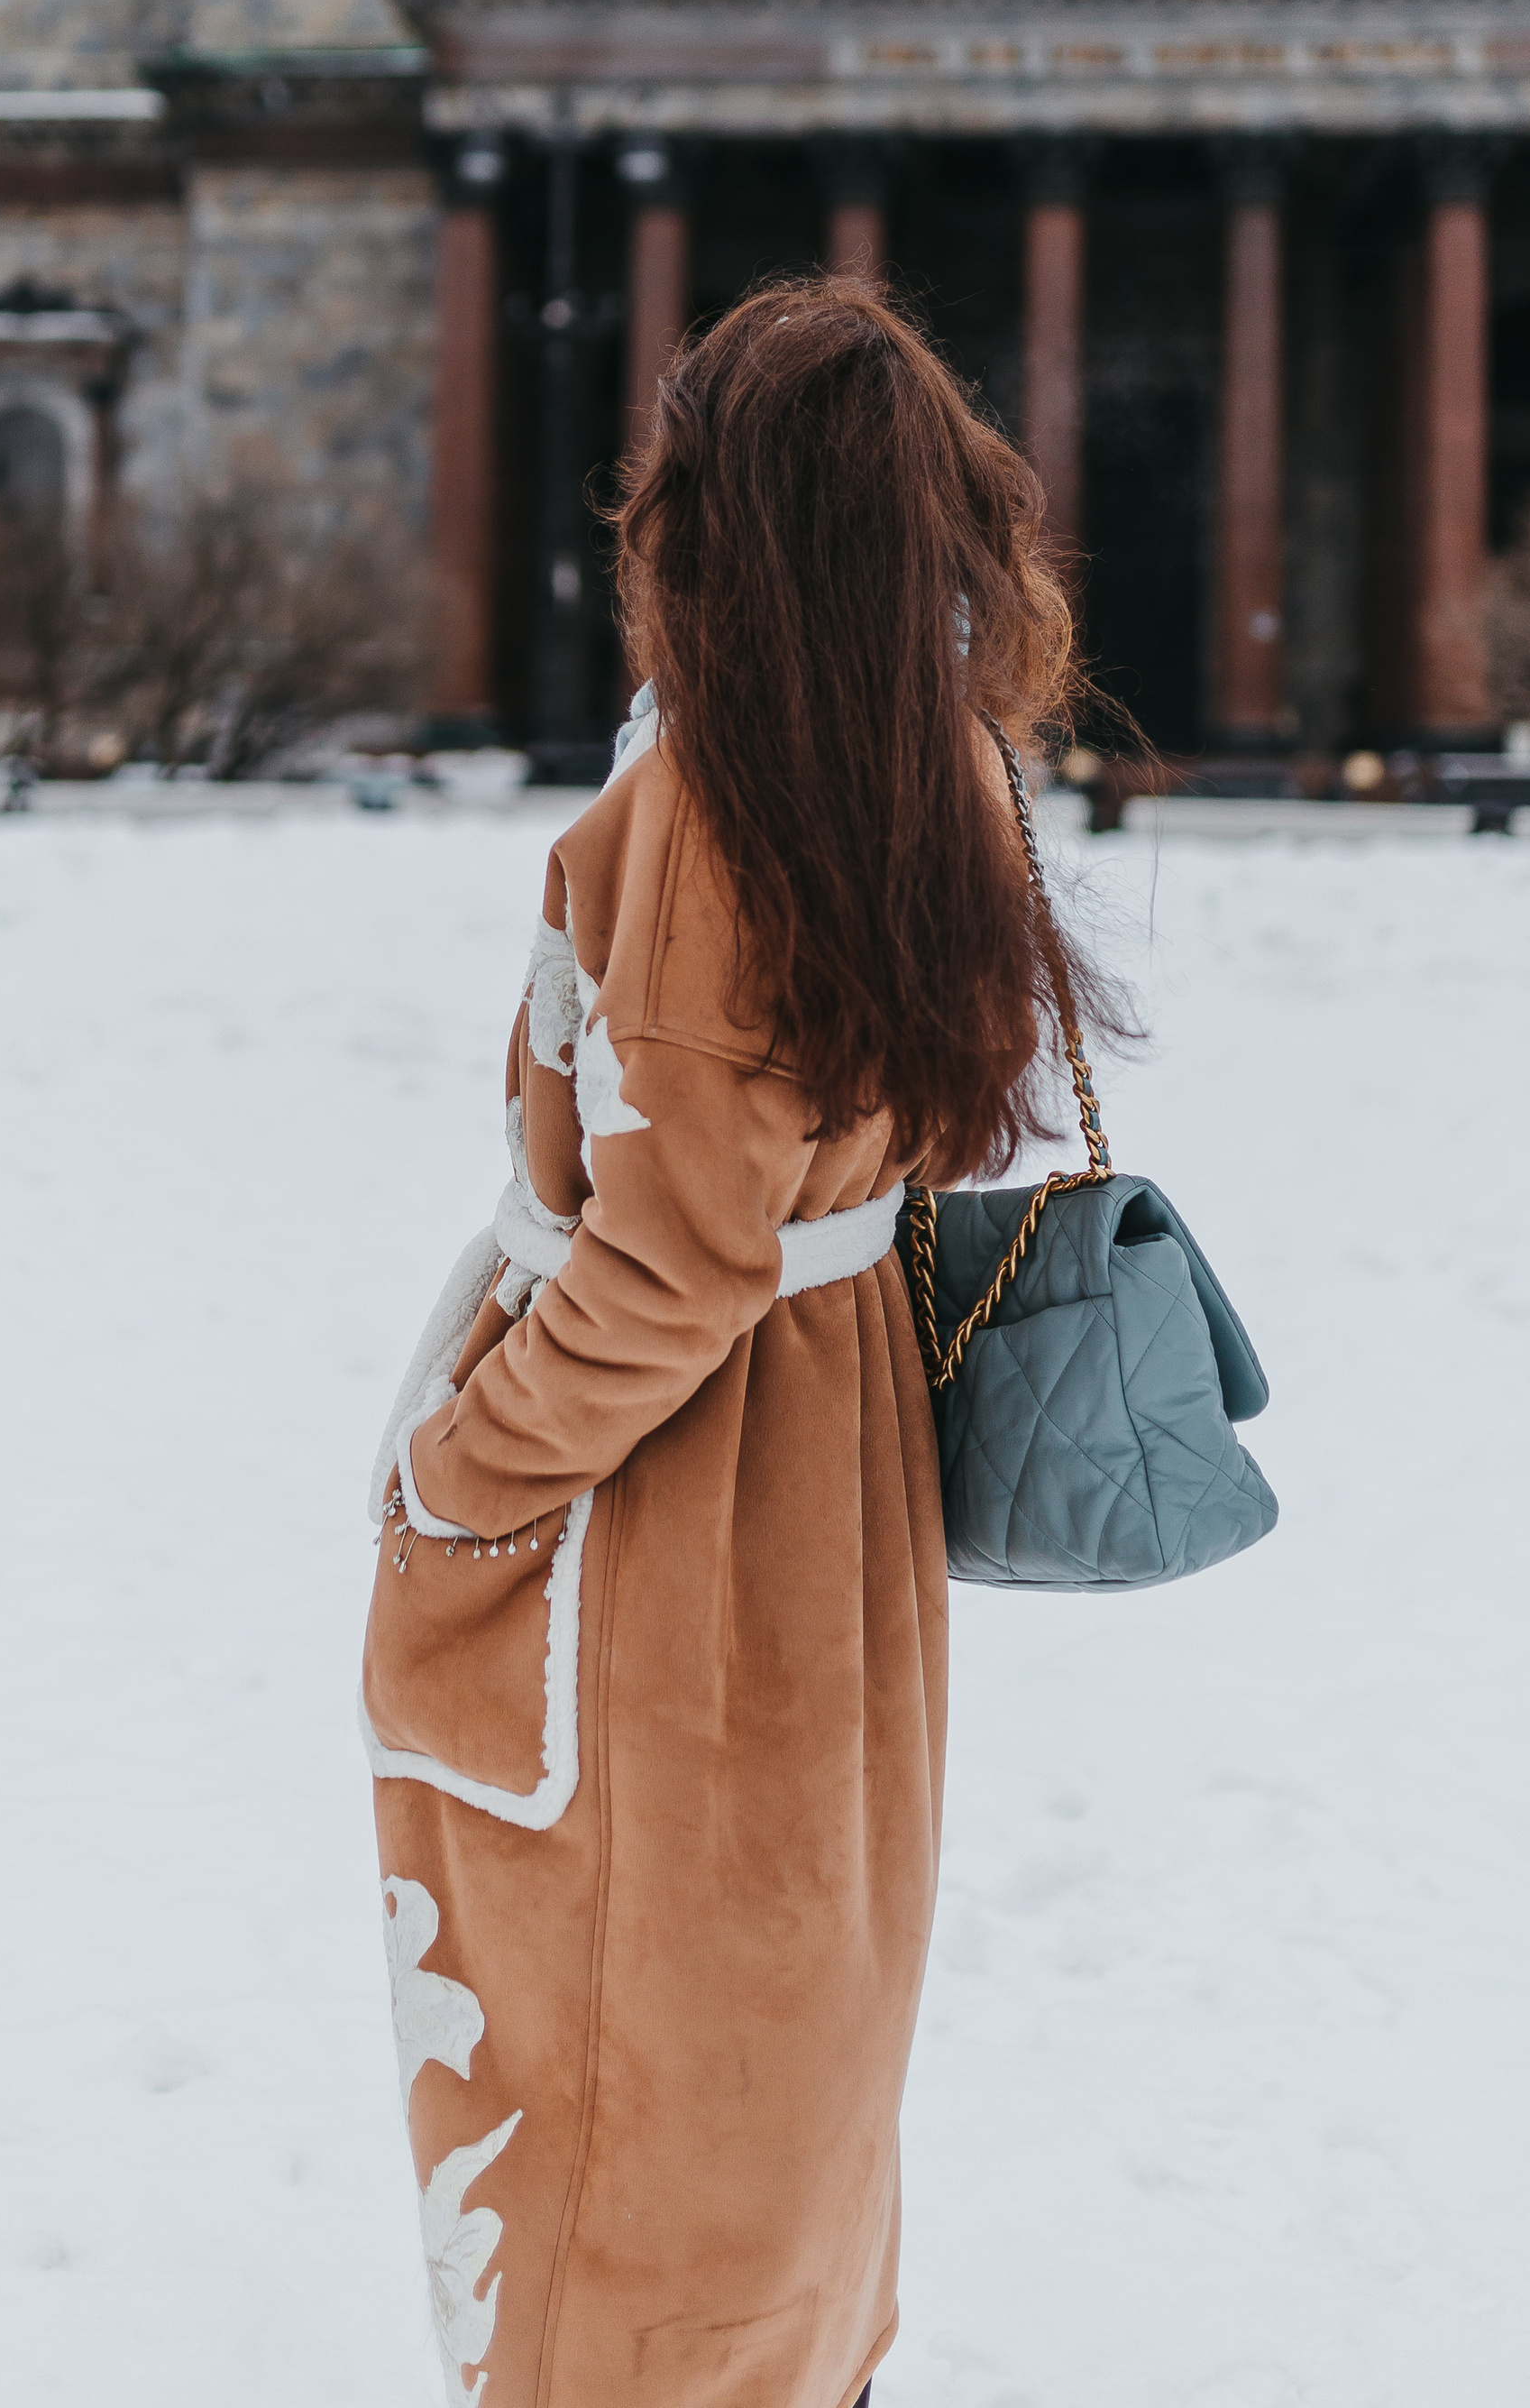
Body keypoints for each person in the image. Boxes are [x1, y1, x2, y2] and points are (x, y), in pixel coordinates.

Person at [363, 277, 1084, 2408]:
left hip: (667, 1510)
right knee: (787, 2024)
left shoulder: (706, 810)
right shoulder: (929, 760)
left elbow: (670, 1265)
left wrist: (454, 1493)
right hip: (834, 1463)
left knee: (626, 2050)